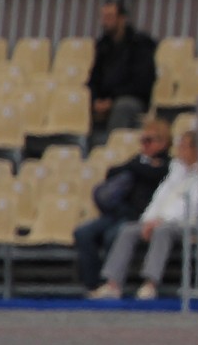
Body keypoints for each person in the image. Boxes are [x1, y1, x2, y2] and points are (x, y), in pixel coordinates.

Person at [88, 129, 198, 301]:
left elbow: (191, 205)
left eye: (184, 147)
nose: (179, 150)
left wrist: (160, 221)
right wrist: (149, 220)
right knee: (128, 230)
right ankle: (113, 284)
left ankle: (150, 284)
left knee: (163, 231)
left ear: (196, 150)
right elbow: (159, 198)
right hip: (160, 220)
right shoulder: (176, 171)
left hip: (187, 223)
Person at [74, 118, 172, 294]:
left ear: (163, 142)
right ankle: (92, 285)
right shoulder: (138, 161)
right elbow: (112, 171)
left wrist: (136, 166)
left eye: (148, 141)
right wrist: (137, 166)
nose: (144, 145)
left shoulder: (168, 165)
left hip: (139, 215)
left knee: (114, 235)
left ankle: (113, 282)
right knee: (83, 233)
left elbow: (152, 174)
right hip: (118, 212)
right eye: (142, 140)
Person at [86, 0, 158, 146]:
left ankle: (112, 148)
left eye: (110, 17)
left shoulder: (139, 44)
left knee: (122, 106)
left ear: (122, 18)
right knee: (81, 102)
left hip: (132, 99)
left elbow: (141, 82)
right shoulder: (103, 46)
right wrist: (96, 100)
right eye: (104, 17)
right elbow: (94, 79)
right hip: (106, 100)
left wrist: (111, 100)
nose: (105, 21)